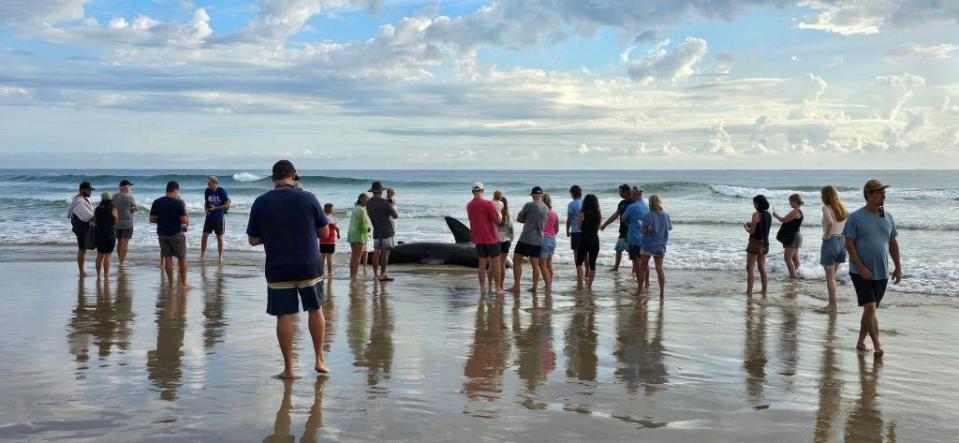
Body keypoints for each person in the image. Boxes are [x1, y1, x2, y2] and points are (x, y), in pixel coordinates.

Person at [246, 160, 331, 379]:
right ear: (293, 176)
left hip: (279, 265)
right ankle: (319, 359)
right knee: (315, 309)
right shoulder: (308, 198)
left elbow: (253, 240)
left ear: (273, 177)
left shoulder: (261, 202)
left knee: (284, 315)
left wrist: (274, 233)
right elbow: (323, 233)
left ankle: (289, 369)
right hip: (308, 264)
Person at [844, 179, 902, 358]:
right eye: (879, 193)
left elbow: (892, 242)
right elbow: (849, 244)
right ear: (869, 195)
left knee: (870, 310)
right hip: (860, 272)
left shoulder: (887, 216)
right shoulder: (855, 217)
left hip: (882, 272)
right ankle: (877, 345)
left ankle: (861, 341)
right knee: (870, 308)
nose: (883, 196)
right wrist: (860, 266)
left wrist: (898, 267)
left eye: (884, 193)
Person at [150, 181, 191, 289]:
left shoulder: (157, 202)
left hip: (162, 233)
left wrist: (163, 220)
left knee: (167, 258)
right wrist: (186, 216)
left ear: (167, 189)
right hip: (176, 233)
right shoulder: (178, 203)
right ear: (176, 190)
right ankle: (183, 284)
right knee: (182, 258)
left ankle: (171, 284)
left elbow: (152, 219)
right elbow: (183, 220)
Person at [508, 186, 548, 293]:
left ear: (534, 195)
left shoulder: (529, 205)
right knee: (535, 264)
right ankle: (534, 287)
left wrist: (527, 220)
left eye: (532, 195)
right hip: (539, 239)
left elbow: (519, 218)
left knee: (516, 260)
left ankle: (516, 286)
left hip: (527, 238)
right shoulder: (546, 208)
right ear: (541, 195)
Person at [467, 182, 504, 294]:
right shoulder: (488, 204)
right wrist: (501, 215)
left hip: (478, 238)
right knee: (495, 264)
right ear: (482, 191)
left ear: (473, 192)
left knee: (482, 265)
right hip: (491, 238)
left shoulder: (469, 205)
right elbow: (498, 222)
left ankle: (483, 288)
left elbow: (472, 219)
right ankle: (497, 288)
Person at [638, 195, 673, 299]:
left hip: (647, 245)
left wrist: (646, 229)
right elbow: (669, 228)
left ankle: (640, 290)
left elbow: (643, 232)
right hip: (660, 245)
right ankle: (662, 293)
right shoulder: (666, 215)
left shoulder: (647, 216)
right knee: (659, 268)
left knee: (643, 268)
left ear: (650, 203)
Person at [820, 186, 849, 310]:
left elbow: (830, 223)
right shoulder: (842, 208)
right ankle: (833, 304)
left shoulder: (826, 208)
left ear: (825, 195)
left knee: (830, 278)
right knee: (832, 277)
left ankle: (832, 305)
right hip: (842, 242)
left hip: (831, 241)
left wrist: (826, 236)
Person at [366, 181, 399, 282]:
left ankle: (376, 274)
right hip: (387, 231)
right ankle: (383, 274)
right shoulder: (384, 203)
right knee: (385, 254)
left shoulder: (369, 203)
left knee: (376, 253)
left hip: (376, 230)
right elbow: (395, 216)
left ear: (373, 191)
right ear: (381, 191)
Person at [620, 186, 650, 288]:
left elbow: (623, 219)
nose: (631, 195)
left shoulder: (631, 207)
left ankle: (640, 286)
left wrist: (630, 222)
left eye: (632, 194)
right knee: (645, 262)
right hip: (646, 238)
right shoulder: (647, 205)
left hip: (634, 238)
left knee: (637, 263)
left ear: (636, 195)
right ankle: (647, 283)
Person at [600, 184, 633, 272]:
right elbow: (615, 215)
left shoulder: (633, 202)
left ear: (625, 192)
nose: (619, 193)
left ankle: (634, 270)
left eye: (620, 191)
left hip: (631, 232)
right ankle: (616, 268)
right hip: (622, 231)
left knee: (632, 252)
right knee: (618, 249)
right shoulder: (622, 203)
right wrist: (605, 224)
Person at [743, 194, 771, 297]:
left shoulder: (756, 214)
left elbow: (752, 231)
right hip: (764, 243)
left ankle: (749, 291)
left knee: (749, 268)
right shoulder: (768, 215)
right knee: (762, 268)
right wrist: (752, 225)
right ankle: (764, 291)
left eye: (754, 203)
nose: (754, 205)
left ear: (757, 203)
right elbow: (762, 228)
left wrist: (746, 227)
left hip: (754, 243)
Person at [67, 181, 96, 277]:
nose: (90, 192)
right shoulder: (80, 201)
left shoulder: (81, 199)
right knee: (82, 249)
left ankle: (82, 271)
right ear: (83, 190)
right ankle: (82, 272)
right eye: (89, 190)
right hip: (81, 227)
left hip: (81, 227)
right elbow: (88, 216)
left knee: (83, 249)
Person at [200, 176, 231, 263]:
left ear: (214, 183)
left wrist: (216, 208)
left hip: (219, 217)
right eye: (207, 183)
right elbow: (206, 202)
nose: (208, 184)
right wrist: (206, 210)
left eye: (209, 183)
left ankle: (220, 257)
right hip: (209, 217)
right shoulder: (207, 191)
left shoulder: (221, 191)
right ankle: (202, 255)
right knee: (204, 236)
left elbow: (227, 205)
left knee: (219, 237)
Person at [575, 193, 602, 290]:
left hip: (584, 238)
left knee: (579, 262)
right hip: (595, 239)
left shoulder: (582, 214)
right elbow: (598, 228)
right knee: (592, 264)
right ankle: (590, 286)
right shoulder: (598, 214)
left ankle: (581, 282)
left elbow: (579, 227)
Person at [774, 193, 805, 278]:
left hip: (793, 237)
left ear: (795, 201)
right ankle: (799, 274)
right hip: (796, 235)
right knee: (795, 258)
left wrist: (775, 215)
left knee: (787, 258)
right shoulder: (799, 211)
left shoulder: (795, 211)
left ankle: (793, 276)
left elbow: (784, 220)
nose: (789, 204)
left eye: (790, 202)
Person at [535, 193, 558, 291]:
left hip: (543, 239)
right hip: (552, 239)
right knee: (549, 264)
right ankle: (549, 283)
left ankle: (548, 286)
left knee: (542, 265)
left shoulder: (540, 212)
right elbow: (556, 229)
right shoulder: (554, 213)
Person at [113, 179, 137, 267]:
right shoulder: (129, 197)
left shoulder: (114, 196)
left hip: (116, 223)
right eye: (129, 185)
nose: (130, 187)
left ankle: (120, 260)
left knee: (119, 242)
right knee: (124, 243)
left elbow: (112, 209)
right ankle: (122, 262)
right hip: (127, 223)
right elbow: (135, 208)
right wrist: (131, 211)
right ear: (124, 187)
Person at [94, 192, 118, 280]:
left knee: (100, 255)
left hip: (100, 233)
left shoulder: (97, 209)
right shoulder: (113, 209)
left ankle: (98, 275)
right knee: (108, 255)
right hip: (110, 233)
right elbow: (115, 222)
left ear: (102, 199)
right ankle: (106, 275)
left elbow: (95, 221)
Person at [347, 193, 372, 281]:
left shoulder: (355, 208)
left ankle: (352, 274)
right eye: (366, 199)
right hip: (358, 235)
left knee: (354, 255)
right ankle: (354, 275)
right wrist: (368, 229)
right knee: (358, 256)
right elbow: (362, 224)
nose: (368, 200)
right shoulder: (361, 210)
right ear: (361, 199)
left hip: (352, 234)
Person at [492, 190, 513, 287]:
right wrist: (511, 238)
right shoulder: (508, 215)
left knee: (494, 264)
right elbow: (511, 229)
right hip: (506, 241)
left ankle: (494, 285)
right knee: (502, 264)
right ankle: (501, 285)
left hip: (496, 240)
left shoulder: (494, 212)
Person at [566, 185, 584, 280]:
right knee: (586, 252)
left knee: (576, 252)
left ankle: (579, 272)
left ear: (573, 193)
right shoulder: (585, 203)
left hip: (576, 231)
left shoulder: (572, 204)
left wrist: (567, 230)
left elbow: (569, 219)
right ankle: (587, 273)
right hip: (585, 231)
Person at [320, 203, 340, 279]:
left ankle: (320, 272)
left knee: (322, 257)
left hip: (322, 240)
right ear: (331, 210)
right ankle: (330, 272)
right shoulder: (332, 218)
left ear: (324, 209)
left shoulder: (322, 218)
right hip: (330, 240)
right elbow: (337, 228)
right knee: (329, 257)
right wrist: (338, 234)